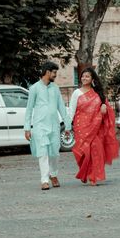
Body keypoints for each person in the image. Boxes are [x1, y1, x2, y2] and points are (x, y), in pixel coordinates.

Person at [66, 67, 119, 186]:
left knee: (95, 149)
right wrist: (68, 126)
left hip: (96, 126)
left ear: (92, 79)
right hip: (81, 126)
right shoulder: (77, 93)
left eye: (87, 76)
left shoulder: (97, 93)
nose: (84, 78)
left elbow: (105, 106)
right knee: (82, 152)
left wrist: (104, 106)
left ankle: (93, 176)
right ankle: (85, 172)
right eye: (83, 76)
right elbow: (71, 111)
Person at [24, 61, 68, 190]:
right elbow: (29, 109)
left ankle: (53, 175)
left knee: (54, 153)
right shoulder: (34, 88)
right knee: (43, 153)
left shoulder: (55, 88)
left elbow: (61, 107)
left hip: (54, 126)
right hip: (39, 126)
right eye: (54, 72)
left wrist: (67, 124)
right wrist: (27, 128)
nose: (55, 75)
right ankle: (44, 180)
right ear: (47, 72)